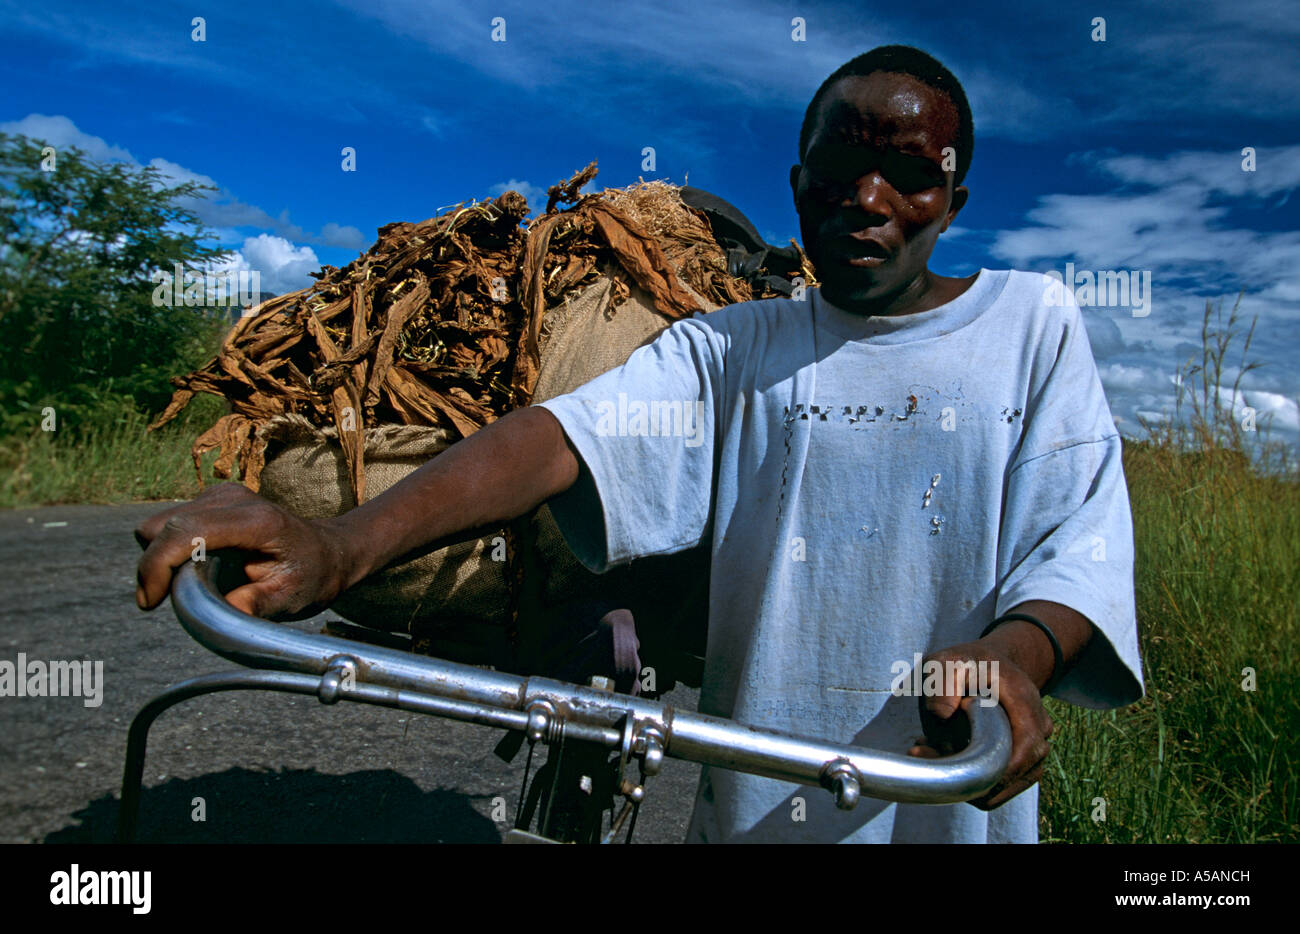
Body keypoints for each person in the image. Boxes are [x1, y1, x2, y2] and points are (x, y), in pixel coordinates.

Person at [136, 45, 1144, 843]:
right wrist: (339, 547)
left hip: (944, 810)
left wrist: (1004, 658)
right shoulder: (733, 344)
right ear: (799, 184)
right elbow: (553, 439)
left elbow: (1076, 544)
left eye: (910, 175)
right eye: (842, 167)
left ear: (953, 201)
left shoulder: (1032, 321)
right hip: (751, 816)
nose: (869, 198)